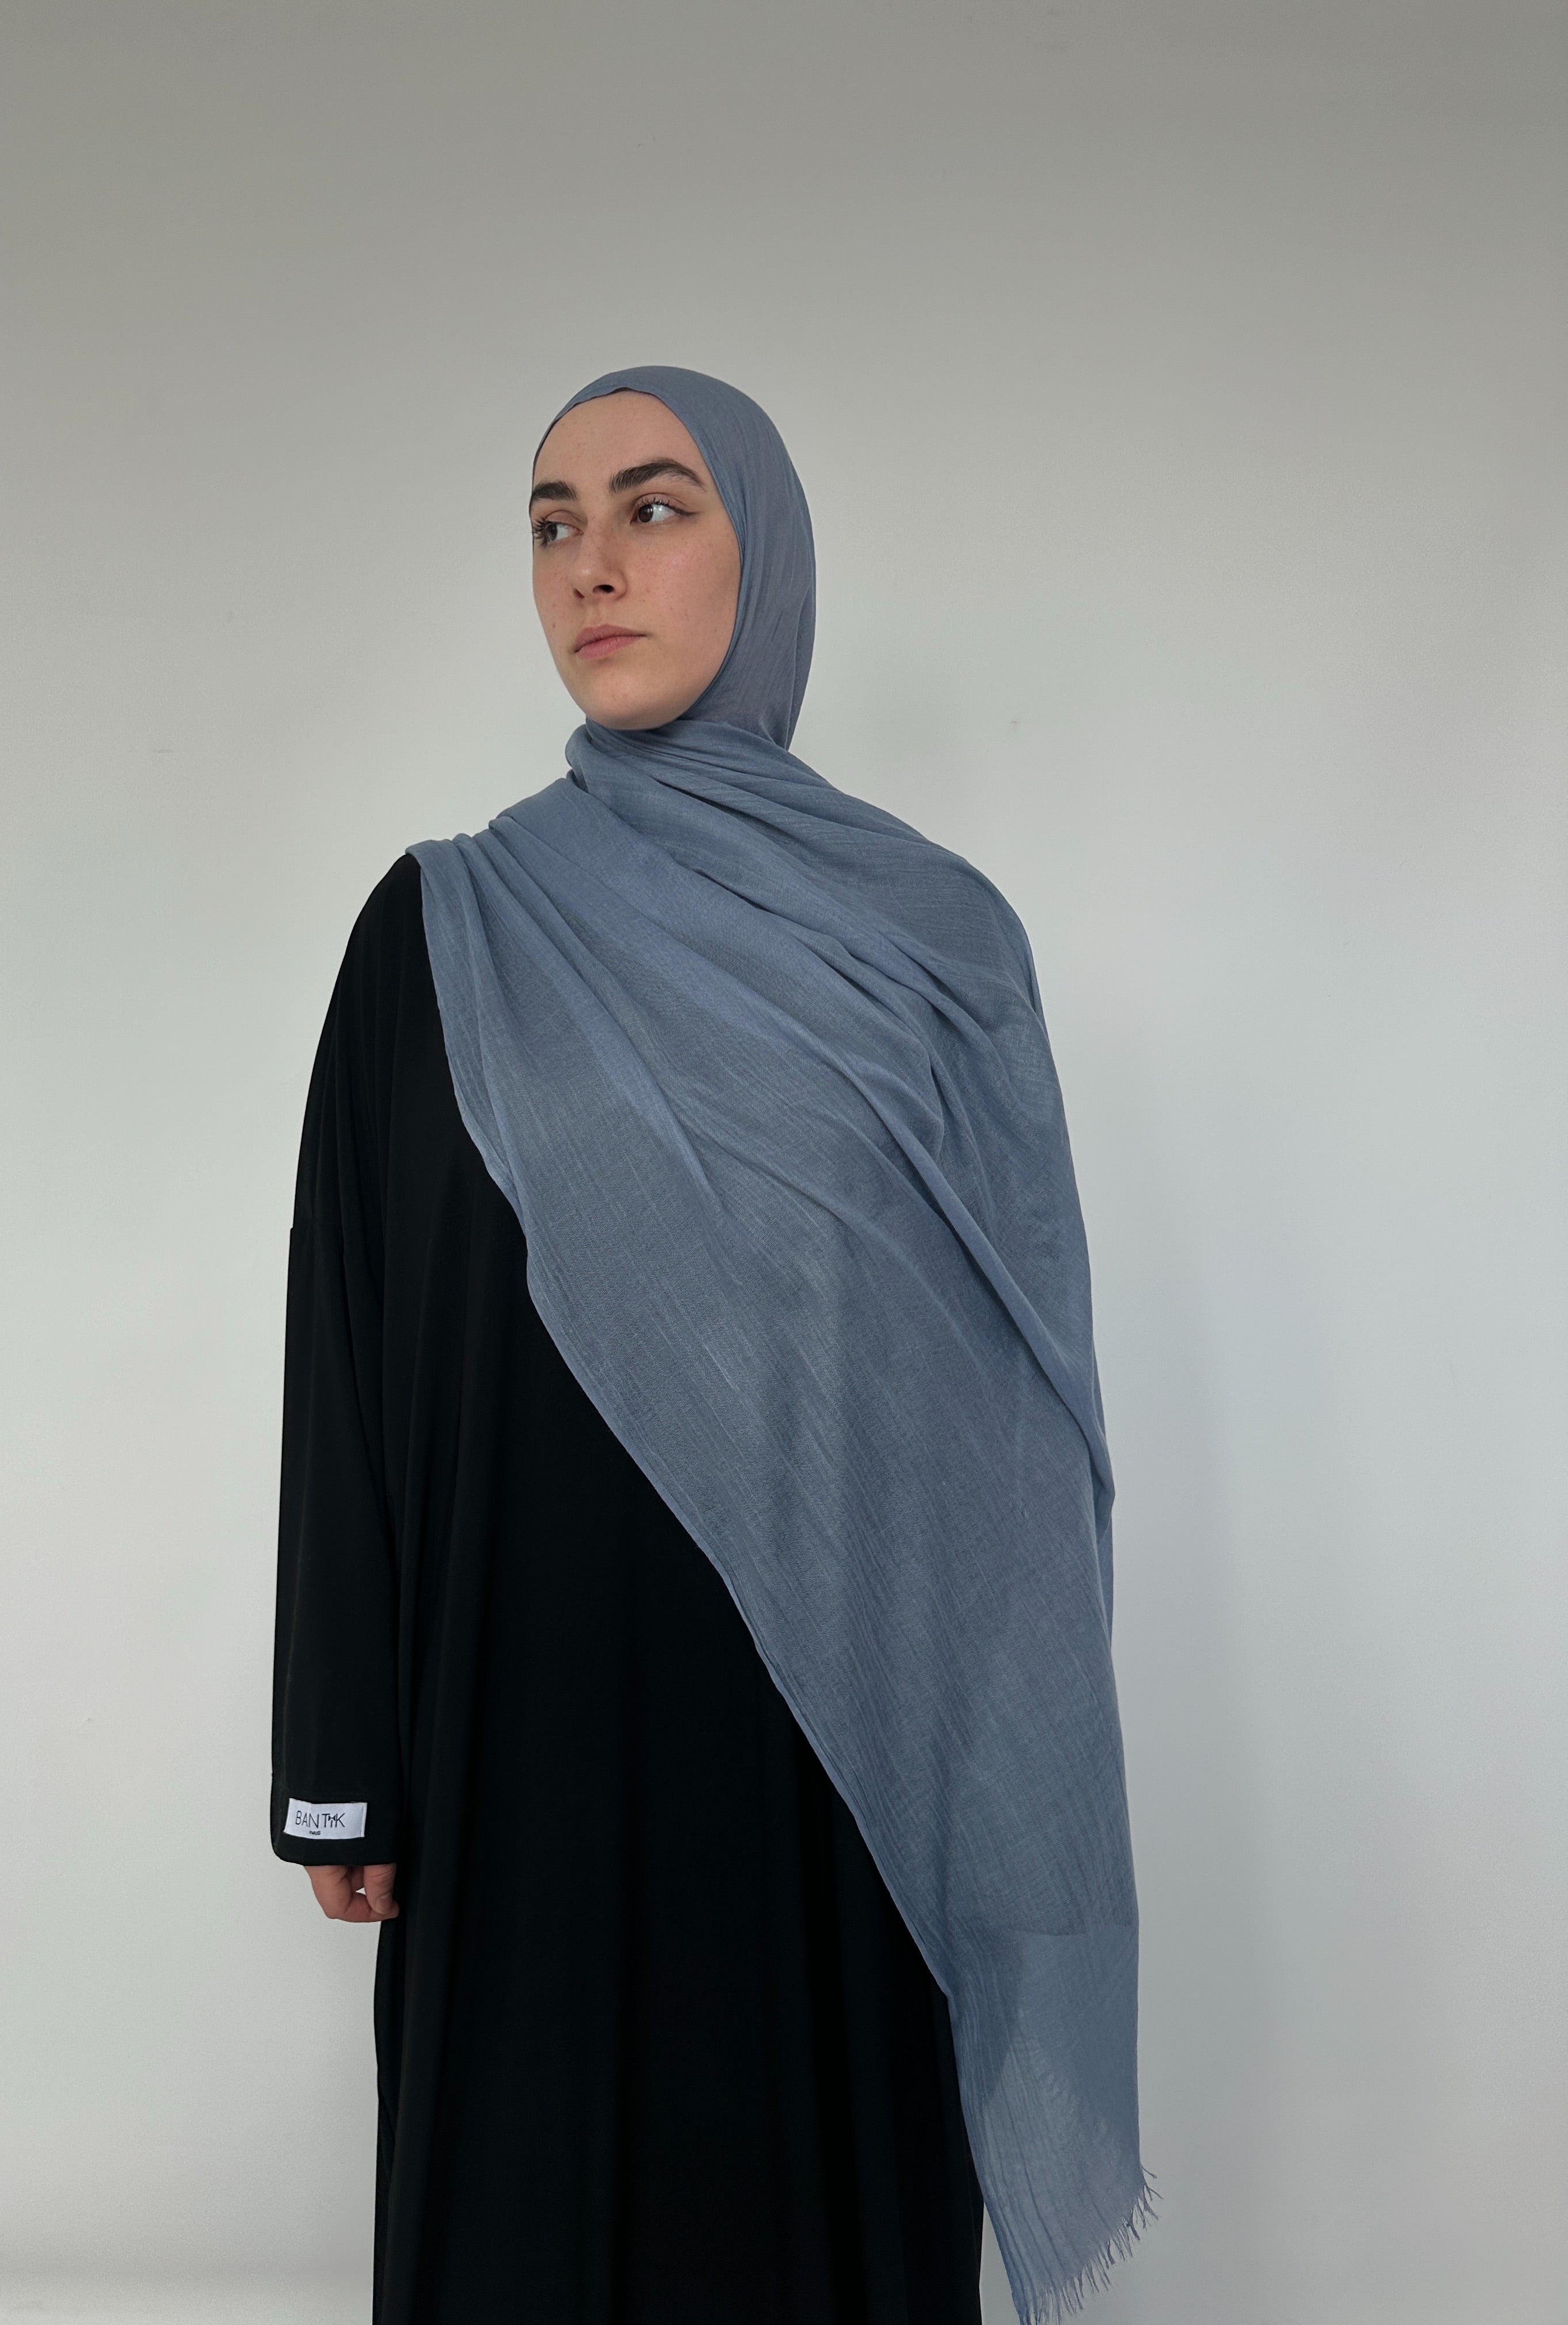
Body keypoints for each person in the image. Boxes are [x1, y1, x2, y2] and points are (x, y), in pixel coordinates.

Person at [272, 367, 1149, 2325]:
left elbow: (1016, 1399)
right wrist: (341, 1761)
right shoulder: (439, 932)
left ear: (770, 556)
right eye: (553, 523)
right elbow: (349, 1342)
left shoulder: (933, 947)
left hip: (835, 1756)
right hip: (515, 1731)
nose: (593, 565)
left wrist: (1000, 1743)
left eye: (655, 509)